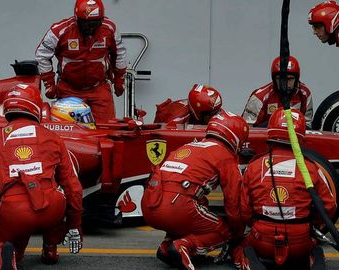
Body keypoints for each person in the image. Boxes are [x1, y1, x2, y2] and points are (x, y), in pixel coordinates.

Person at [0, 84, 83, 269]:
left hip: (14, 209)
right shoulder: (54, 137)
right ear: (36, 107)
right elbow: (73, 187)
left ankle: (6, 253)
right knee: (58, 194)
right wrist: (75, 224)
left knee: (1, 244)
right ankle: (51, 248)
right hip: (51, 207)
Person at [141, 111, 249, 270]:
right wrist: (238, 234)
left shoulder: (189, 145)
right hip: (177, 206)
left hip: (149, 203)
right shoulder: (225, 155)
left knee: (197, 208)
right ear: (236, 136)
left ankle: (166, 247)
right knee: (225, 230)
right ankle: (183, 246)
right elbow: (233, 203)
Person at [236, 108, 336, 269]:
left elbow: (244, 210)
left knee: (241, 246)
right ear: (301, 136)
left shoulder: (253, 166)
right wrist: (310, 227)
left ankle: (252, 261)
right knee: (315, 247)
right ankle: (312, 258)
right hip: (300, 242)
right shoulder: (311, 168)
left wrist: (258, 223)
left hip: (262, 240)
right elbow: (329, 207)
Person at [35, 0, 127, 123]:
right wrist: (49, 83)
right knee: (69, 132)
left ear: (102, 20)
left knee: (107, 130)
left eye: (95, 24)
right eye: (86, 24)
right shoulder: (59, 31)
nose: (91, 28)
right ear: (77, 19)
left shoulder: (109, 29)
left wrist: (119, 79)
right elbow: (42, 55)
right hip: (69, 89)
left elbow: (120, 53)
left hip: (99, 88)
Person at [242, 55, 313, 128]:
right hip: (267, 138)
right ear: (274, 79)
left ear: (297, 79)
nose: (285, 84)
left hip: (295, 138)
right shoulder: (259, 97)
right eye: (280, 79)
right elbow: (248, 130)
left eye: (289, 79)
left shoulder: (305, 94)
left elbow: (307, 127)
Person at [154, 84, 223, 125]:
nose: (216, 117)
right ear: (198, 113)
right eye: (211, 114)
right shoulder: (178, 120)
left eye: (217, 111)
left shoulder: (209, 109)